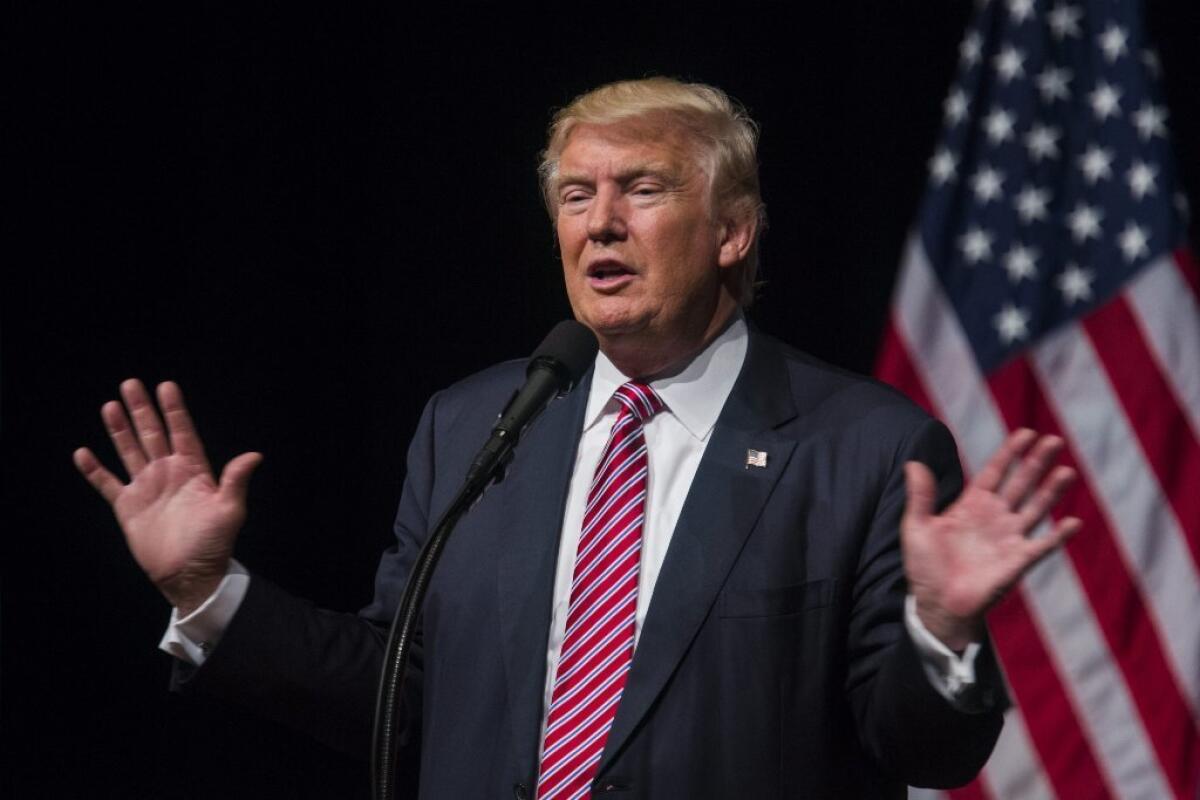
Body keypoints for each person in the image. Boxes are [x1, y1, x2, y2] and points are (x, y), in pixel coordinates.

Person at [75, 78, 1081, 799]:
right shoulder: (471, 423)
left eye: (643, 190)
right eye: (575, 195)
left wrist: (940, 631)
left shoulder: (863, 445)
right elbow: (401, 697)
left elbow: (924, 746)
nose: (601, 224)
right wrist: (205, 592)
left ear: (733, 229)